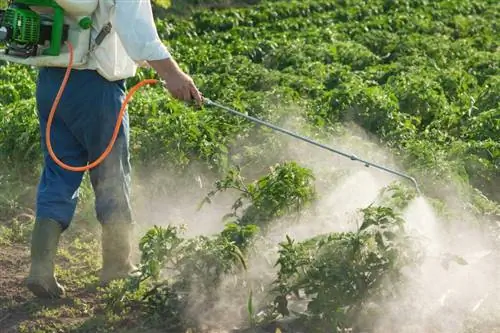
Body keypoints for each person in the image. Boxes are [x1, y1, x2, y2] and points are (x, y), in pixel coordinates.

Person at [25, 0, 202, 299]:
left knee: (58, 172)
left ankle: (40, 269)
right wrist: (173, 74)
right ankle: (118, 264)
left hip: (52, 83)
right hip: (97, 89)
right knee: (112, 174)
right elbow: (139, 33)